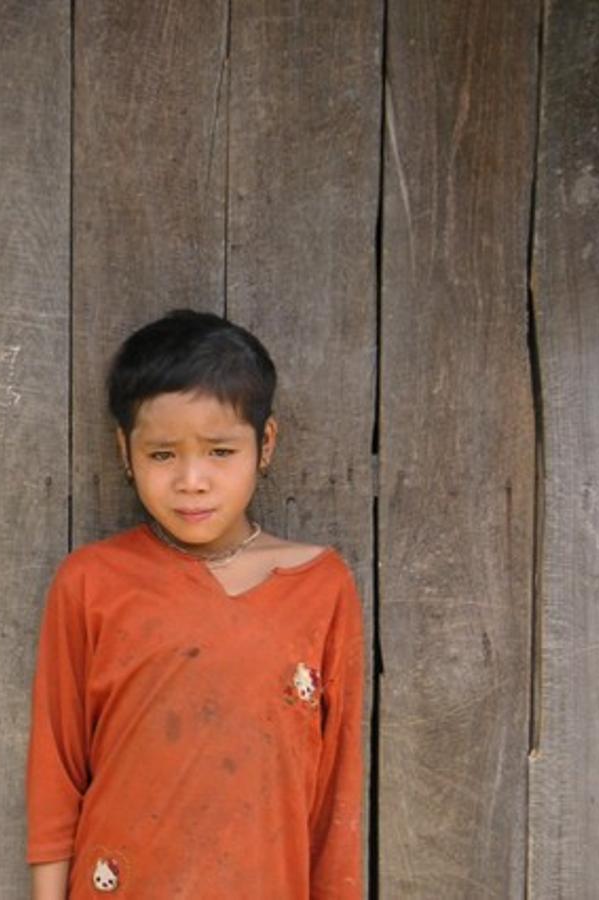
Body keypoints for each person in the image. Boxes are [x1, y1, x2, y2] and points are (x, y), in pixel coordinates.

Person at [26, 309, 364, 898]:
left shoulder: (321, 587)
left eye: (219, 452)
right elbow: (56, 772)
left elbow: (337, 793)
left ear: (266, 444)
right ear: (124, 451)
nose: (192, 480)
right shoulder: (91, 582)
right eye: (162, 455)